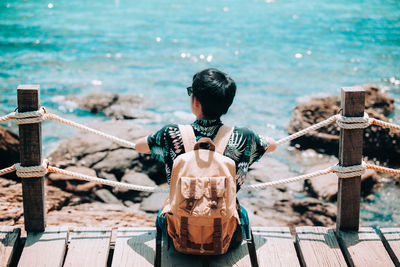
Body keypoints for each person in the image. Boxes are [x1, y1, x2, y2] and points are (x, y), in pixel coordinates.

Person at [135, 68, 277, 249]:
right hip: (226, 235)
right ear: (227, 104)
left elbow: (138, 146)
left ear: (195, 101)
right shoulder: (244, 137)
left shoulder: (171, 134)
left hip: (177, 234)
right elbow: (273, 145)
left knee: (166, 209)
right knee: (242, 214)